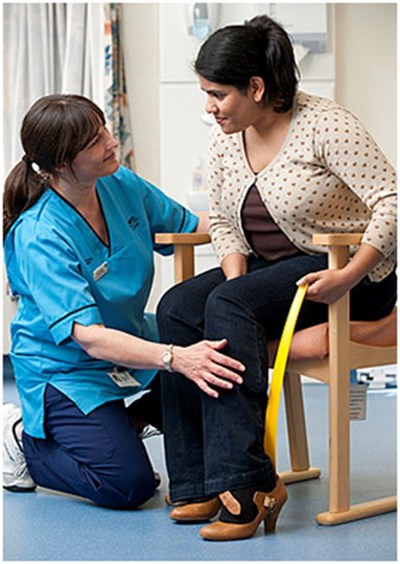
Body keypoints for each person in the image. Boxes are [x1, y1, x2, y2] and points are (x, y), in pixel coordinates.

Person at [156, 14, 397, 541]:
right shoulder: (226, 139)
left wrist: (351, 273)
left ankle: (248, 486)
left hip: (344, 272)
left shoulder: (327, 125)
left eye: (217, 93)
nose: (208, 107)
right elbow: (221, 218)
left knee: (231, 306)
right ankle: (197, 482)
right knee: (177, 307)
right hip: (272, 273)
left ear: (257, 87)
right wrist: (233, 276)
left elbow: (391, 202)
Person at [2, 94, 245, 510]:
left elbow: (189, 225)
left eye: (105, 130)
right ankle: (25, 441)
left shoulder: (120, 185)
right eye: (96, 141)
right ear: (63, 163)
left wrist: (259, 227)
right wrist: (175, 358)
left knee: (216, 377)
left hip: (131, 341)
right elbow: (90, 339)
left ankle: (127, 421)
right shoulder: (39, 233)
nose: (111, 142)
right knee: (129, 485)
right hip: (66, 368)